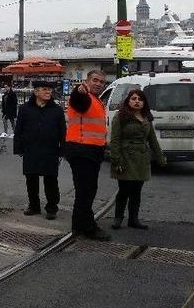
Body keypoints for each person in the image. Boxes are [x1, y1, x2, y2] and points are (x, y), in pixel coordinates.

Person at [109, 89, 166, 230]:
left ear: (144, 102)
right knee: (124, 190)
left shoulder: (147, 117)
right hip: (125, 157)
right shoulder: (120, 116)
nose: (137, 101)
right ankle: (118, 218)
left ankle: (134, 219)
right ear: (128, 101)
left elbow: (152, 139)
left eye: (140, 99)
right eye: (133, 98)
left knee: (136, 191)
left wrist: (160, 157)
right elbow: (115, 140)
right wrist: (117, 161)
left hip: (141, 158)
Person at [64, 70, 111, 241]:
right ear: (87, 81)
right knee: (86, 190)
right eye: (95, 80)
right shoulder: (84, 96)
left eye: (102, 82)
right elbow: (78, 98)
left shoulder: (96, 100)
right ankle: (88, 227)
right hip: (82, 148)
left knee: (86, 190)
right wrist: (79, 90)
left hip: (91, 150)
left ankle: (79, 225)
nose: (98, 84)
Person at [13, 81, 66, 220]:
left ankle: (52, 208)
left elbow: (63, 132)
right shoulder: (25, 109)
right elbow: (18, 130)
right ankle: (34, 206)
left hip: (50, 150)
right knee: (31, 179)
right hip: (31, 149)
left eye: (49, 90)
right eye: (45, 89)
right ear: (36, 92)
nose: (48, 92)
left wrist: (63, 150)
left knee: (51, 180)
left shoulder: (57, 110)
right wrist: (18, 148)